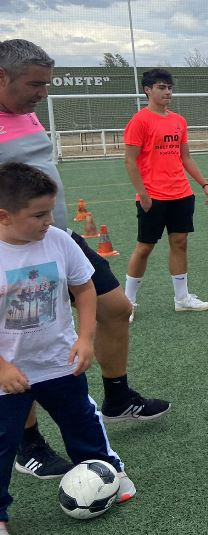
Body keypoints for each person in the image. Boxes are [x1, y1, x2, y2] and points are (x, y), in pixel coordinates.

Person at [0, 39, 169, 482]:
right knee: (23, 341)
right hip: (14, 251)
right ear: (1, 77)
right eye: (35, 84)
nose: (43, 93)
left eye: (47, 84)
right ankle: (28, 443)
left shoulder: (25, 110)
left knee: (117, 308)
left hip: (56, 236)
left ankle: (116, 398)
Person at [0, 163, 137, 533]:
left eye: (50, 211)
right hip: (7, 374)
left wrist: (85, 338)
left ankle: (109, 473)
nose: (49, 221)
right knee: (2, 444)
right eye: (39, 215)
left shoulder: (59, 240)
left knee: (84, 423)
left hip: (59, 362)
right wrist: (2, 367)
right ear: (4, 216)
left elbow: (84, 288)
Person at [123, 68, 208, 318]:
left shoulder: (178, 120)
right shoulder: (139, 121)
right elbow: (130, 161)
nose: (167, 92)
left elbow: (185, 156)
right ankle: (127, 303)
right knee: (144, 247)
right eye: (162, 87)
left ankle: (182, 298)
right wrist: (142, 194)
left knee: (180, 242)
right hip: (152, 196)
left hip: (181, 193)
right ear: (147, 90)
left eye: (169, 88)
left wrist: (204, 183)